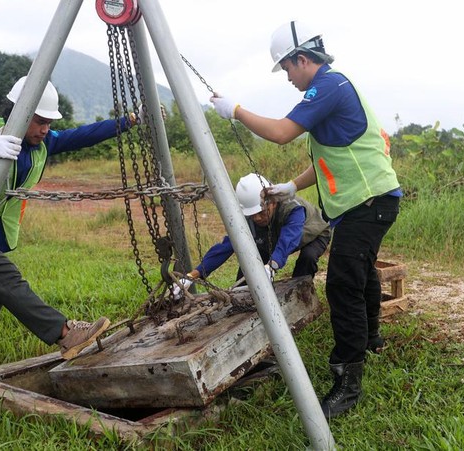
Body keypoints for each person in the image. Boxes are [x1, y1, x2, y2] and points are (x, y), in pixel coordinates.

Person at [209, 21, 402, 419]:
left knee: (342, 284)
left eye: (287, 69)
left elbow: (281, 133)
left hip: (368, 203)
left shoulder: (328, 86)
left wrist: (237, 110)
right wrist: (291, 187)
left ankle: (347, 383)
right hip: (367, 203)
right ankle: (372, 340)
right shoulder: (334, 89)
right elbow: (328, 158)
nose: (289, 79)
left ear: (301, 59)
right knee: (361, 272)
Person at [0, 76, 141, 378]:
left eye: (49, 123)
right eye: (39, 121)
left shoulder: (41, 143)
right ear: (19, 111)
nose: (45, 129)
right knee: (6, 278)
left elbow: (82, 135)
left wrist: (128, 121)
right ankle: (65, 334)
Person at [171, 173, 330, 296]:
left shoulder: (292, 209)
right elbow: (226, 247)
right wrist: (191, 276)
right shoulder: (248, 218)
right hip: (272, 239)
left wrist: (272, 266)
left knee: (307, 258)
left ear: (273, 202)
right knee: (251, 266)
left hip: (314, 234)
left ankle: (300, 296)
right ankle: (244, 303)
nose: (257, 218)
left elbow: (288, 240)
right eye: (252, 214)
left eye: (261, 213)